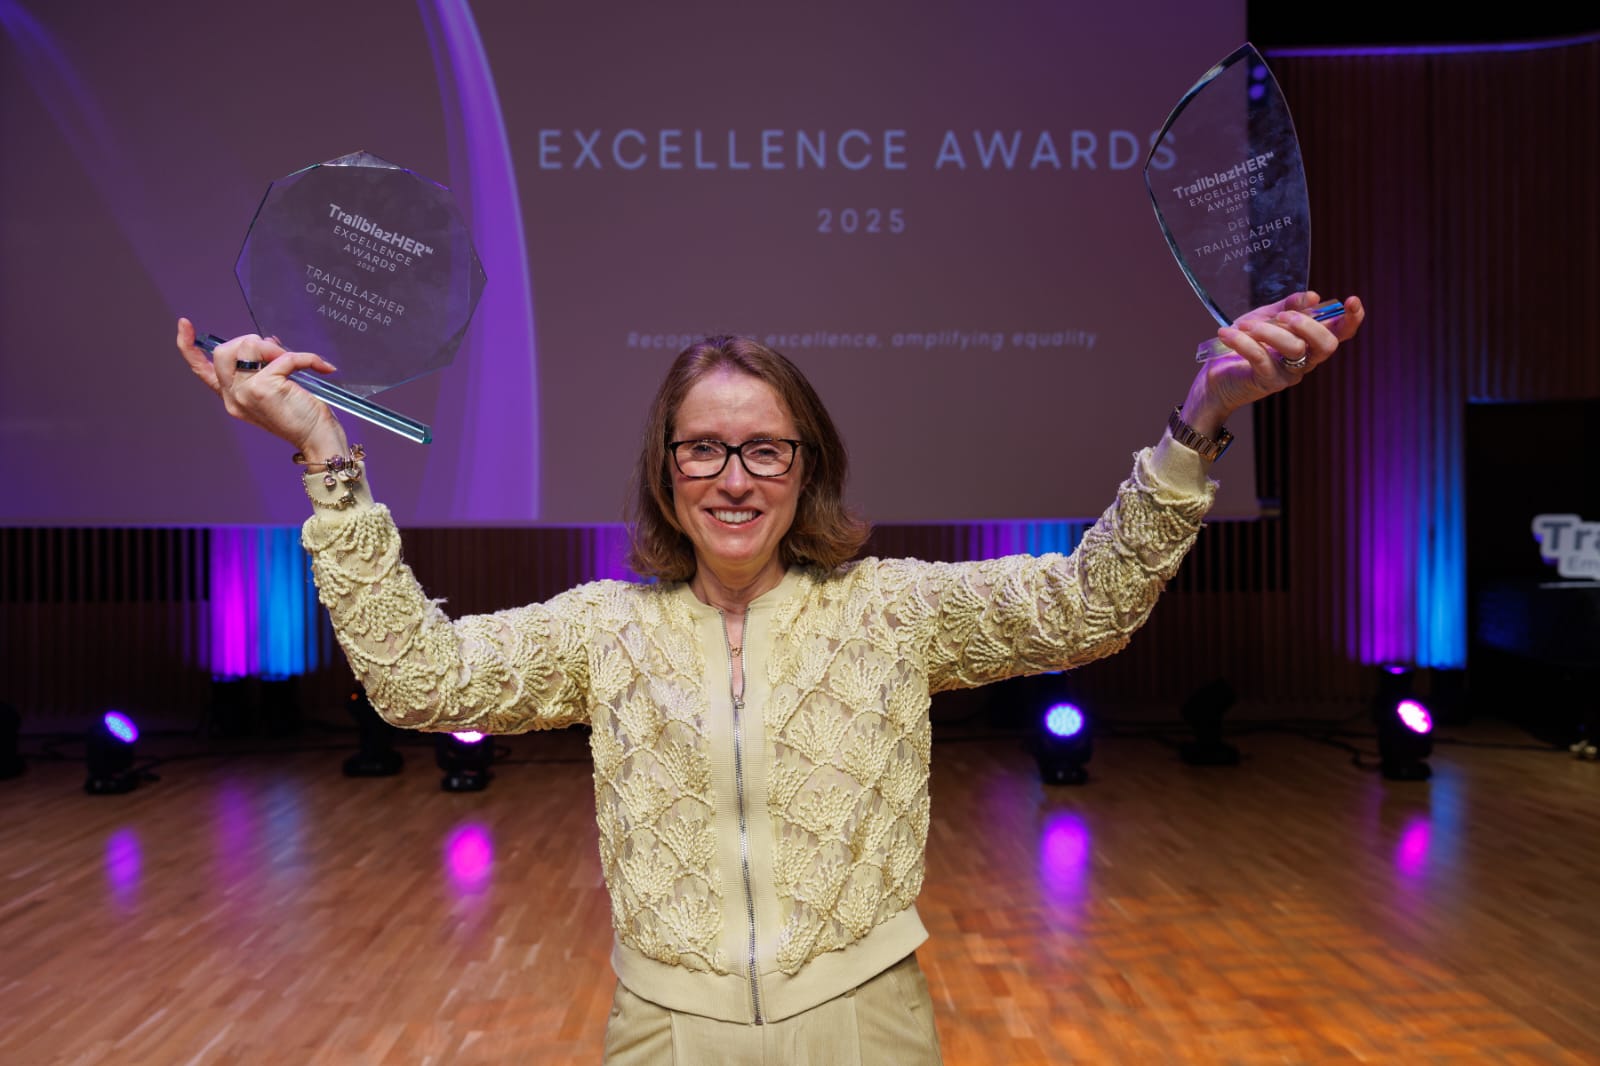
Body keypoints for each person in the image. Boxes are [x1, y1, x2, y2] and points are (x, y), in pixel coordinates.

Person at [175, 292, 1364, 1064]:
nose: (734, 477)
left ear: (806, 469)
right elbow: (417, 681)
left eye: (764, 449)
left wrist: (1203, 417)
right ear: (666, 471)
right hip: (666, 1033)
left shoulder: (891, 610)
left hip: (865, 1027)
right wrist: (321, 451)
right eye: (703, 447)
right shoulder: (604, 629)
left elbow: (1091, 602)